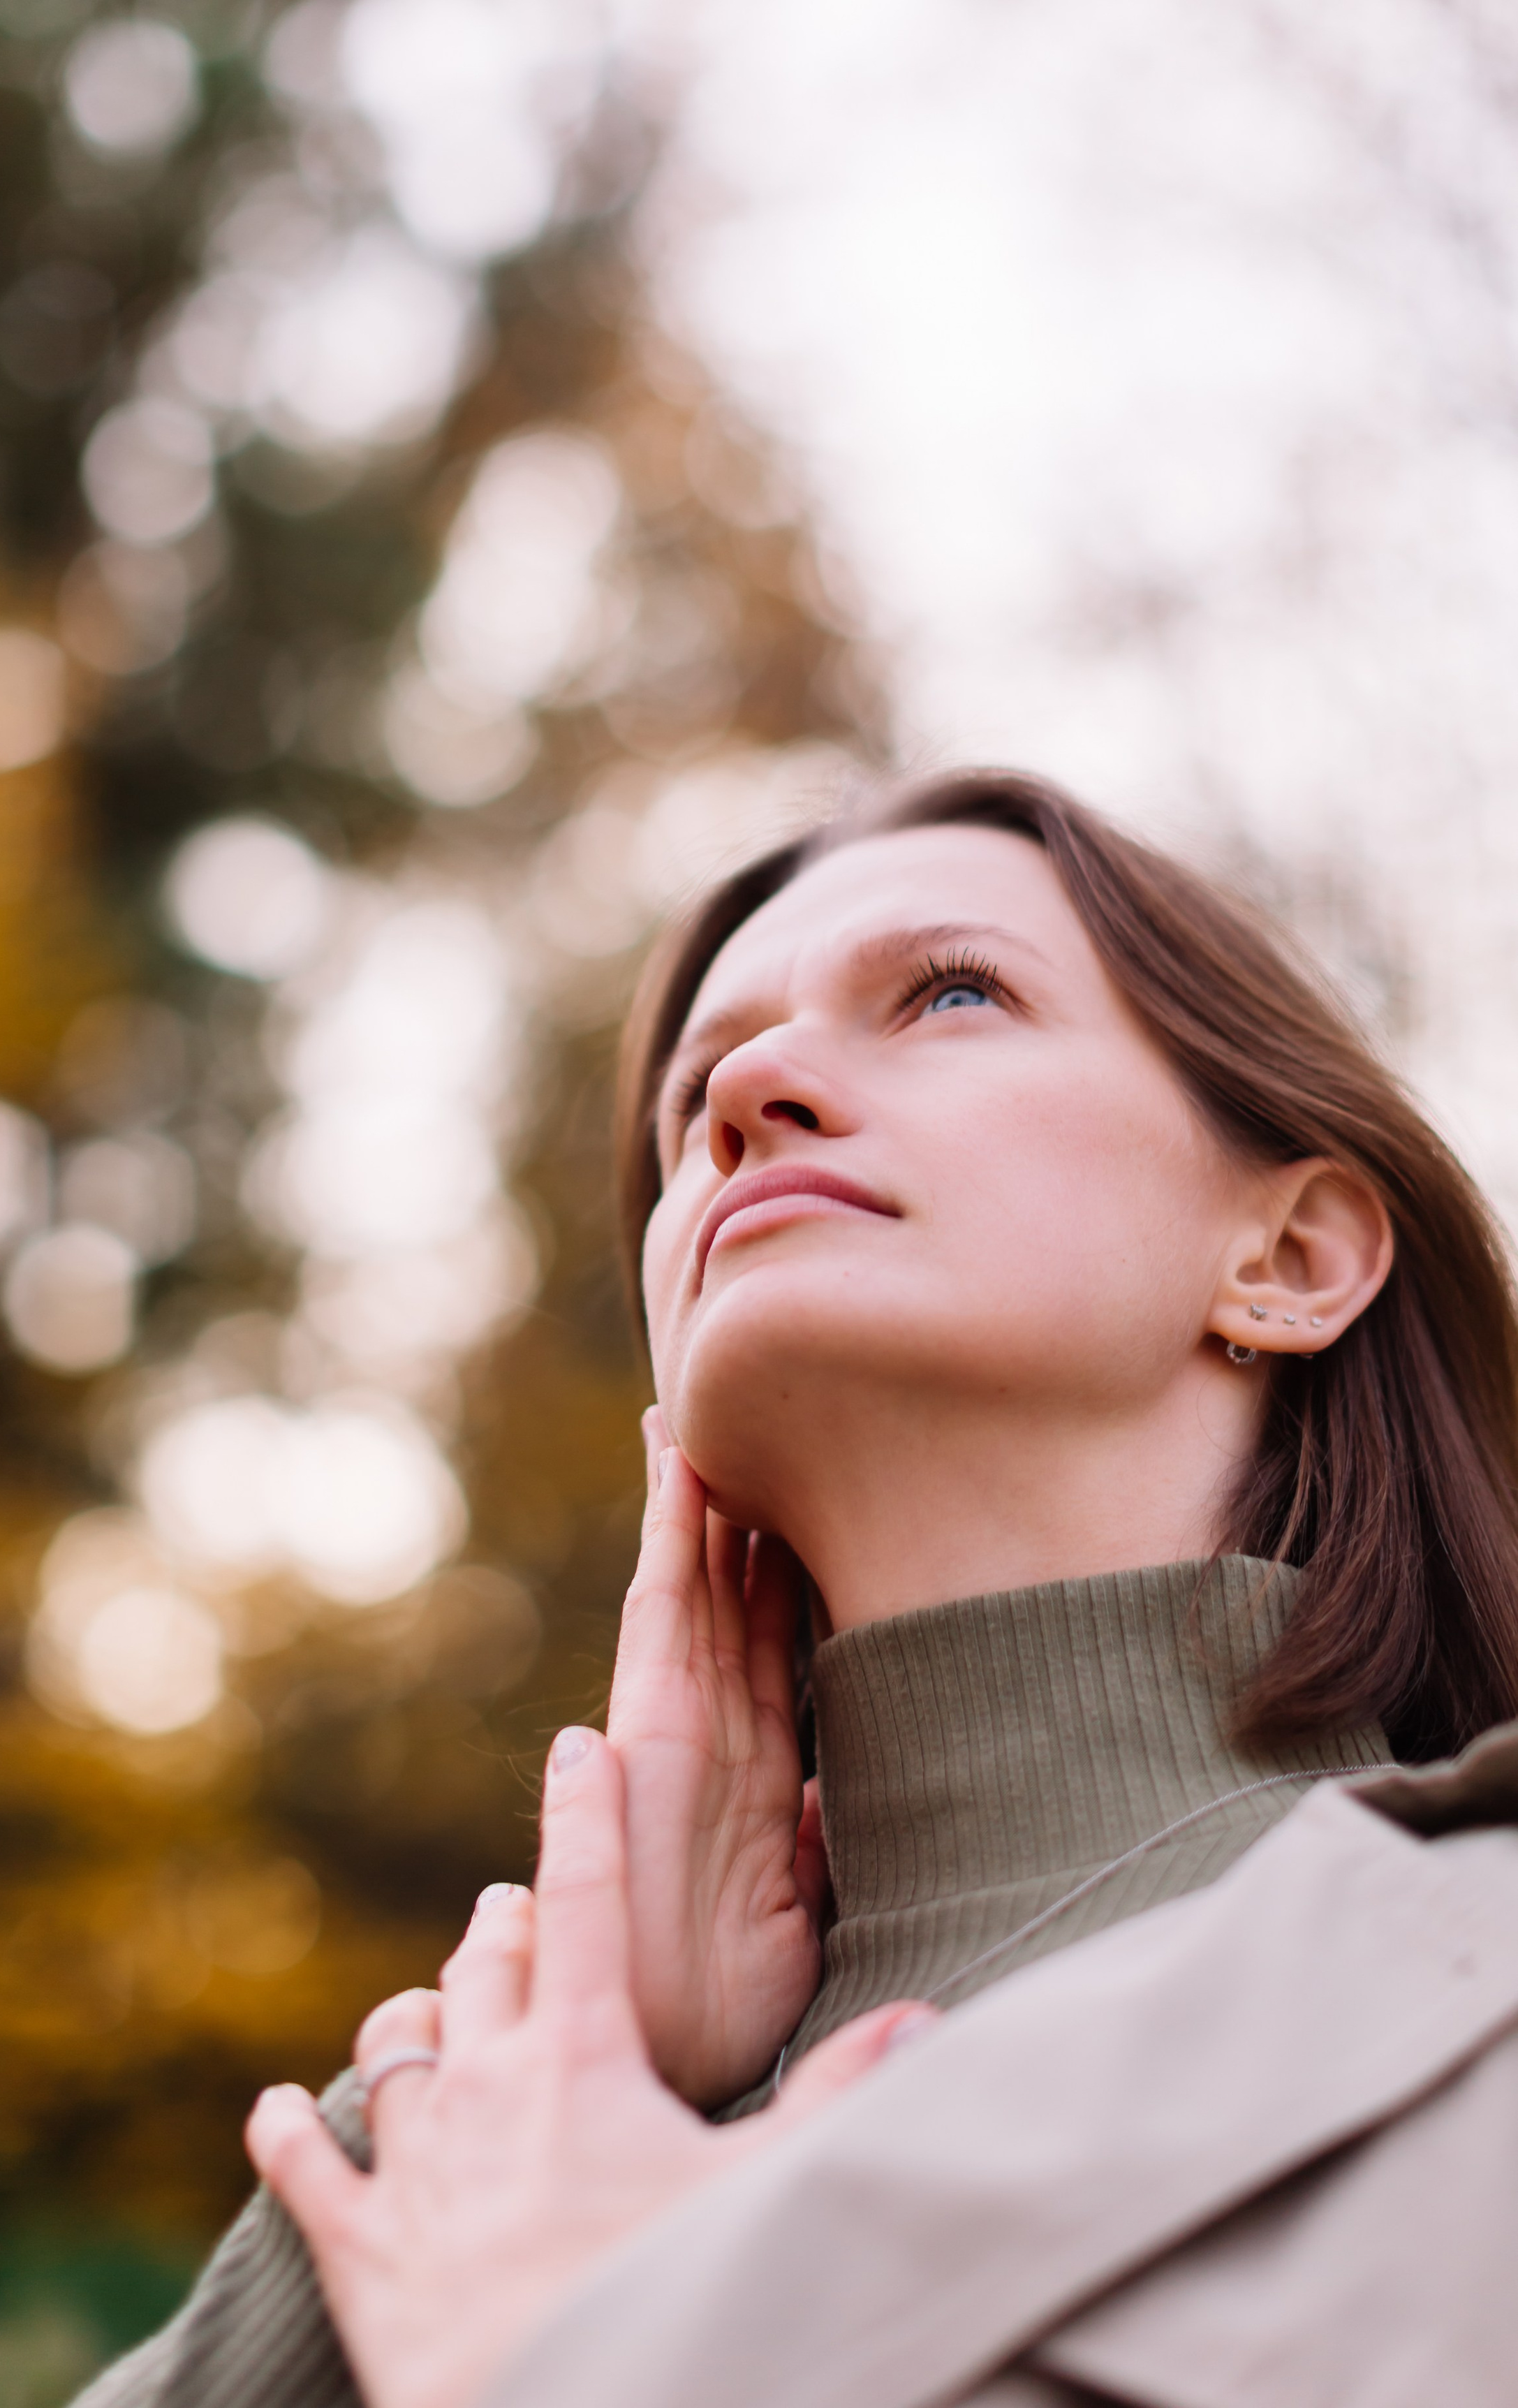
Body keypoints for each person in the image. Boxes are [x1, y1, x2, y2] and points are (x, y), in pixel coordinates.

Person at [79, 769, 1518, 2408]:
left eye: (951, 994)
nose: (744, 1090)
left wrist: (567, 2355)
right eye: (693, 1087)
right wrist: (559, 2034)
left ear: (1288, 1258)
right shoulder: (572, 2097)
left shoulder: (1470, 1972)